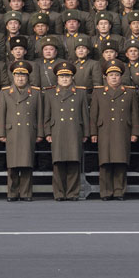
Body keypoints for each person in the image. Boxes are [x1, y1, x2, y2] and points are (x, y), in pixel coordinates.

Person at [89, 65, 136, 200]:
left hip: (122, 130)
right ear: (106, 77)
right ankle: (105, 192)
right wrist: (93, 133)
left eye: (116, 75)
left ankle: (119, 191)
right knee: (105, 162)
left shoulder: (129, 92)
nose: (114, 77)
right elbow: (94, 115)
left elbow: (134, 114)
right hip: (104, 131)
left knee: (121, 162)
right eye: (111, 75)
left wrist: (135, 132)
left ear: (121, 77)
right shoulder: (98, 92)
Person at [0, 65, 43, 201]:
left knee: (27, 163)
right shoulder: (5, 92)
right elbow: (1, 115)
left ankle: (26, 193)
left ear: (28, 77)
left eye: (23, 76)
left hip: (29, 131)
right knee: (12, 164)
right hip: (12, 131)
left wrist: (40, 133)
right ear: (13, 76)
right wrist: (1, 133)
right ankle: (12, 193)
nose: (20, 78)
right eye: (18, 75)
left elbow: (39, 114)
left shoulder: (35, 92)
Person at [45, 66, 88, 201]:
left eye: (67, 76)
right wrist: (47, 132)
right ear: (57, 78)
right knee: (58, 163)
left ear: (72, 78)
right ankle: (59, 193)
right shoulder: (50, 93)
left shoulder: (80, 93)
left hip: (74, 130)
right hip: (57, 131)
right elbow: (46, 115)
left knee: (74, 162)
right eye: (62, 77)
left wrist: (86, 133)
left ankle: (72, 193)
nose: (64, 79)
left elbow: (85, 115)